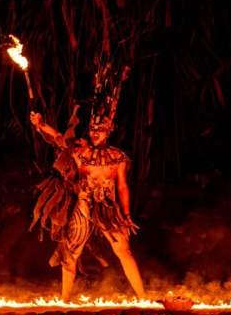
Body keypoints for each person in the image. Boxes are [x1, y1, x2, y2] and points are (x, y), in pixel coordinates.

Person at [29, 105, 146, 302]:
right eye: (92, 129)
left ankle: (143, 297)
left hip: (108, 207)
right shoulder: (80, 152)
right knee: (70, 252)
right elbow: (58, 138)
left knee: (124, 250)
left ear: (108, 131)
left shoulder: (118, 158)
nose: (94, 133)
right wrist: (41, 124)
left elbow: (123, 187)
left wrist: (126, 215)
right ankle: (65, 300)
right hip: (84, 203)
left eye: (99, 130)